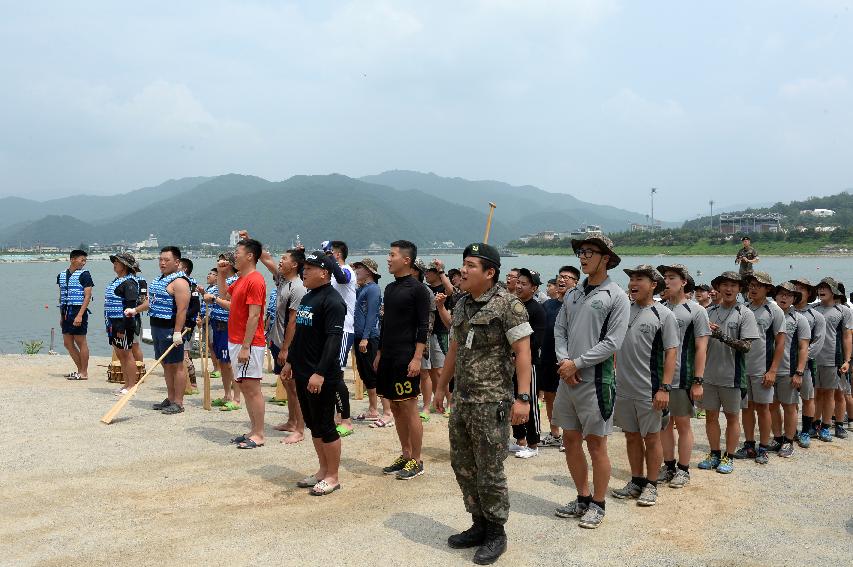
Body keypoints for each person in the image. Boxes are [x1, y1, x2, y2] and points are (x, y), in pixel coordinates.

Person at [433, 242, 533, 565]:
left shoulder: (509, 305)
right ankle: (478, 523)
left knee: (490, 469)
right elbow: (454, 349)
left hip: (493, 402)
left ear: (490, 273)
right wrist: (440, 387)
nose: (464, 270)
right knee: (463, 464)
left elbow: (523, 352)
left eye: (471, 265)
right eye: (463, 264)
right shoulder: (462, 304)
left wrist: (522, 398)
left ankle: (496, 532)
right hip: (463, 399)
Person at [553, 234, 630, 529]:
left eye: (589, 252)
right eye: (581, 252)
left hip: (597, 381)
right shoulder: (573, 294)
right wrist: (564, 362)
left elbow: (613, 342)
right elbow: (560, 329)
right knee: (570, 439)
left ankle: (598, 503)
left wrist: (578, 363)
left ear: (605, 258)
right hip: (567, 379)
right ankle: (582, 497)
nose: (583, 257)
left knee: (596, 445)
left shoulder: (616, 296)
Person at [611, 266, 678, 507]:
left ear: (653, 285)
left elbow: (671, 353)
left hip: (649, 388)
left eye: (639, 279)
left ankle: (651, 484)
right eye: (631, 279)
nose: (633, 283)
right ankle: (636, 480)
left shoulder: (664, 314)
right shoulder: (623, 311)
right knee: (631, 436)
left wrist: (664, 388)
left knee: (651, 437)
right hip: (624, 387)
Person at [284, 250, 346, 495]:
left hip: (322, 375)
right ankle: (322, 470)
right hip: (302, 371)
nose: (304, 272)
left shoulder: (332, 300)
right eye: (304, 268)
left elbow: (333, 340)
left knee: (326, 425)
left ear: (324, 272)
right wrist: (290, 362)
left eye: (310, 268)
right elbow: (300, 334)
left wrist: (319, 372)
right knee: (313, 424)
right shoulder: (309, 297)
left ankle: (333, 476)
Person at [375, 240, 431, 480]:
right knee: (395, 406)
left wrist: (417, 358)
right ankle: (405, 453)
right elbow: (386, 325)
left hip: (407, 357)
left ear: (406, 260)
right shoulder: (389, 288)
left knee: (409, 407)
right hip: (388, 356)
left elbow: (422, 326)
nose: (388, 259)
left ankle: (417, 460)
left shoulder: (418, 289)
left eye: (392, 255)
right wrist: (379, 353)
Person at [699, 271, 759, 474]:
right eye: (725, 284)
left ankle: (729, 456)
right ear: (718, 288)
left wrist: (721, 335)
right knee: (710, 417)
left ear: (739, 289)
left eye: (733, 285)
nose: (729, 289)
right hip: (709, 374)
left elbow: (746, 346)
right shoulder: (709, 312)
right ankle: (714, 453)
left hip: (733, 376)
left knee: (733, 417)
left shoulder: (745, 313)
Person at [657, 264, 709, 488]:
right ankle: (668, 466)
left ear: (684, 282)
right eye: (665, 278)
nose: (667, 281)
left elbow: (701, 348)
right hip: (660, 378)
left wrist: (698, 380)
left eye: (672, 278)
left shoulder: (696, 310)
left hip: (683, 377)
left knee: (683, 423)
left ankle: (684, 469)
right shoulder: (659, 308)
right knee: (663, 425)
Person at [126, 246, 190, 414]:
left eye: (166, 260)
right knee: (166, 364)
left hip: (170, 327)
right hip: (156, 326)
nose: (162, 263)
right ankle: (170, 398)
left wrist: (177, 332)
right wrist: (136, 310)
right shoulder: (158, 280)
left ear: (177, 262)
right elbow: (151, 302)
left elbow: (182, 310)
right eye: (160, 259)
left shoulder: (180, 282)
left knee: (177, 366)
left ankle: (179, 402)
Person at [218, 239, 267, 449]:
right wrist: (221, 274)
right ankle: (253, 430)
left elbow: (255, 315)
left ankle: (259, 434)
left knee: (252, 388)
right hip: (235, 340)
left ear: (250, 256)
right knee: (244, 386)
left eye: (237, 252)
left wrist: (246, 346)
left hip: (250, 342)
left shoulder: (255, 280)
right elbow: (223, 296)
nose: (234, 256)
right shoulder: (241, 279)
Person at [258, 244, 308, 443]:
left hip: (291, 344)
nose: (281, 260)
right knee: (287, 384)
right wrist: (251, 242)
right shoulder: (282, 280)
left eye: (285, 258)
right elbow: (267, 260)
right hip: (277, 339)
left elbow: (294, 321)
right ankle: (291, 421)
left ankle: (300, 429)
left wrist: (286, 348)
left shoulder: (298, 287)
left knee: (295, 386)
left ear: (295, 264)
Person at [734, 272, 785, 464]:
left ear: (768, 289)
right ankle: (749, 445)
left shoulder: (774, 310)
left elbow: (780, 343)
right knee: (746, 408)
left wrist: (772, 370)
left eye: (759, 285)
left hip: (762, 368)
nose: (753, 288)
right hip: (742, 367)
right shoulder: (742, 308)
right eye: (751, 284)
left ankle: (763, 447)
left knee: (763, 408)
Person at [769, 282, 810, 457]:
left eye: (789, 295)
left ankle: (788, 440)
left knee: (790, 406)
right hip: (768, 369)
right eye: (781, 294)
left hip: (789, 370)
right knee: (772, 405)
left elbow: (803, 347)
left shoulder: (799, 319)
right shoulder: (769, 315)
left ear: (794, 298)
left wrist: (799, 372)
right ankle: (777, 437)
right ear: (775, 296)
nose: (784, 297)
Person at [509, 268, 546, 460]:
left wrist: (517, 352)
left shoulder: (536, 309)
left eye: (524, 284)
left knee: (528, 401)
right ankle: (520, 440)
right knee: (512, 400)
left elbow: (536, 341)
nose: (519, 286)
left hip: (529, 363)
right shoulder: (513, 305)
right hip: (510, 363)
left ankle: (533, 443)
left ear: (534, 288)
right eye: (518, 282)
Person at [812, 277, 852, 442]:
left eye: (825, 288)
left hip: (834, 358)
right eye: (820, 287)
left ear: (834, 291)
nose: (821, 290)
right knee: (816, 394)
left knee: (838, 393)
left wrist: (847, 360)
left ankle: (835, 425)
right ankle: (815, 424)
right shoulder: (813, 309)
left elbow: (847, 337)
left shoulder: (843, 310)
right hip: (814, 359)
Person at [351, 257, 389, 424]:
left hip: (370, 337)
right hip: (358, 335)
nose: (356, 271)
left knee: (375, 373)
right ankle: (373, 409)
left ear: (368, 271)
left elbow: (372, 315)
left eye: (359, 268)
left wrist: (365, 337)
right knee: (365, 374)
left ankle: (387, 411)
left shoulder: (373, 289)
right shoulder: (361, 289)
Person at [788, 278, 825, 447]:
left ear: (809, 292)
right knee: (790, 399)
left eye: (801, 288)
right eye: (795, 288)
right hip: (785, 364)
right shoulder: (785, 312)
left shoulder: (816, 316)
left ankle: (806, 431)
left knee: (808, 397)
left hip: (807, 365)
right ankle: (792, 429)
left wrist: (801, 361)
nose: (797, 290)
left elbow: (818, 342)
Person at [326, 240, 358, 437]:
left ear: (337, 254)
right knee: (329, 373)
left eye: (329, 253)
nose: (326, 256)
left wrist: (331, 262)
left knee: (337, 375)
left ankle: (346, 420)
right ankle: (335, 416)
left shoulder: (347, 270)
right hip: (329, 329)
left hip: (344, 329)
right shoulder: (329, 274)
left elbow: (342, 278)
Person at [203, 253, 241, 411]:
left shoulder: (236, 281)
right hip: (217, 324)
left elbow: (229, 301)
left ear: (231, 264)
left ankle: (237, 398)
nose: (220, 264)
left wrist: (214, 299)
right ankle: (227, 394)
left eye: (224, 262)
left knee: (231, 364)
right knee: (224, 363)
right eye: (219, 262)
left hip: (229, 325)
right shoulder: (221, 281)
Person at [538, 270, 570, 449]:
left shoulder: (576, 305)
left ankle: (569, 435)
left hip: (567, 359)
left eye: (566, 278)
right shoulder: (548, 304)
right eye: (559, 278)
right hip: (548, 356)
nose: (561, 281)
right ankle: (554, 432)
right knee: (549, 396)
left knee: (566, 398)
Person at [422, 259, 454, 419]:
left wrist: (441, 270)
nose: (426, 274)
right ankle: (437, 400)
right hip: (427, 332)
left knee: (441, 370)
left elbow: (451, 290)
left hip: (441, 332)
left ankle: (451, 403)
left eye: (429, 271)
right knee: (430, 371)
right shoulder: (425, 289)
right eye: (425, 271)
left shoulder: (443, 287)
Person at [104, 252, 139, 395]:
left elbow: (130, 307)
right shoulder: (117, 280)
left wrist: (123, 327)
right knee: (120, 354)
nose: (114, 264)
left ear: (125, 265)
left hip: (123, 323)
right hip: (112, 322)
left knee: (127, 354)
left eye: (117, 262)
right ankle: (126, 383)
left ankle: (132, 385)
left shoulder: (129, 283)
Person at [57, 249, 94, 380]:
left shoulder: (85, 275)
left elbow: (87, 296)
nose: (84, 263)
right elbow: (61, 296)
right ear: (72, 259)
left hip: (78, 310)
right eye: (81, 260)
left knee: (80, 341)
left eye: (85, 260)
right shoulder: (61, 275)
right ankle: (80, 370)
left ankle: (84, 372)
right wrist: (61, 316)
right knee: (67, 343)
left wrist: (80, 315)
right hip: (66, 311)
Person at [179, 258, 201, 393]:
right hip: (177, 322)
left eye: (178, 265)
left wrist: (184, 317)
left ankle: (193, 383)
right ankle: (184, 382)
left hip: (187, 324)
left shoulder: (192, 284)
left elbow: (195, 306)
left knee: (185, 354)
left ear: (184, 269)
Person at [130, 261, 147, 365]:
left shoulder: (140, 281)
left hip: (134, 316)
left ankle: (140, 367)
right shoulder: (119, 280)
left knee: (135, 345)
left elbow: (142, 300)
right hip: (120, 316)